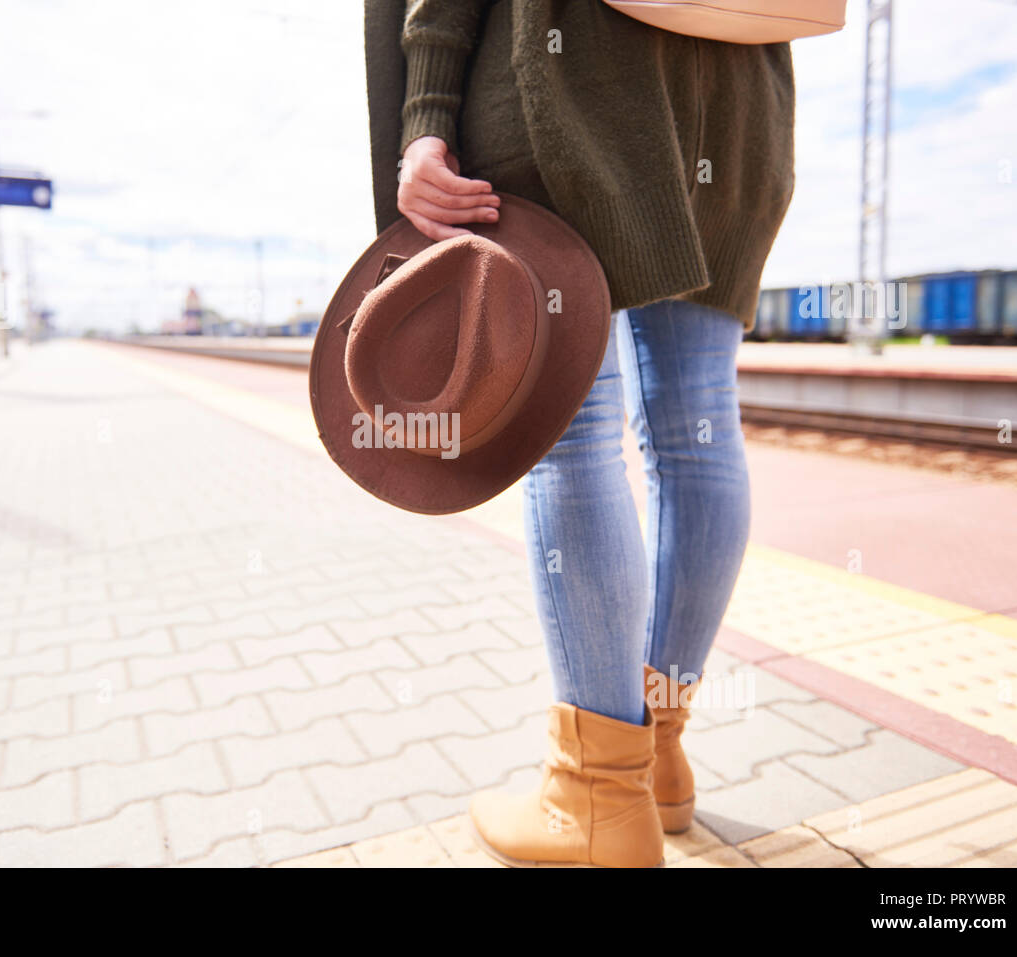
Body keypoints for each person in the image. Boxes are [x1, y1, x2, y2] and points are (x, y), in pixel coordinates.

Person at [366, 0, 796, 866]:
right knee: (698, 425)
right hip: (735, 92)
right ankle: (657, 756)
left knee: (573, 425)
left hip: (575, 79)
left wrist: (425, 117)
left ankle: (598, 794)